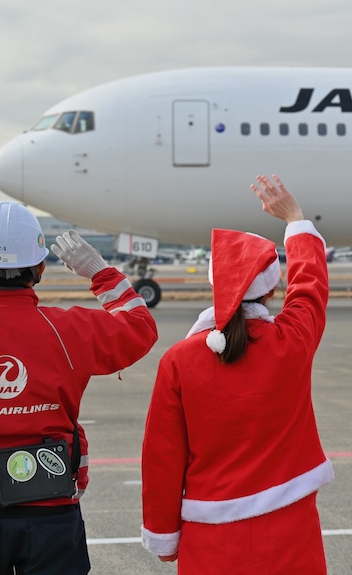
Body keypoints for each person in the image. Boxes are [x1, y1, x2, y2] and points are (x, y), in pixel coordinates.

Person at [0, 201, 158, 574]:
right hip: (51, 509)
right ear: (41, 267)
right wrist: (102, 274)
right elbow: (140, 327)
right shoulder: (68, 329)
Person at [140, 175, 333, 573]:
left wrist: (162, 533)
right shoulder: (292, 342)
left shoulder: (179, 360)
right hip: (290, 533)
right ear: (272, 292)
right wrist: (294, 219)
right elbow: (310, 286)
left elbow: (162, 456)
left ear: (215, 286)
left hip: (210, 538)